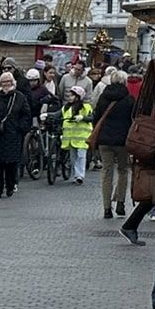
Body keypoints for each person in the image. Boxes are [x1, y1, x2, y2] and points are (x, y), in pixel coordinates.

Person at [90, 74, 135, 219]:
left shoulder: (103, 98)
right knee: (123, 171)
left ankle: (107, 208)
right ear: (124, 82)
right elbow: (133, 120)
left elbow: (96, 118)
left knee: (106, 172)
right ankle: (120, 202)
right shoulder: (129, 100)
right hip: (122, 141)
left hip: (104, 140)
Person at [0, 70, 32, 198]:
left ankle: (10, 186)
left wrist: (20, 128)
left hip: (13, 135)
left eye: (8, 81)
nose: (6, 84)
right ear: (0, 83)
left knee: (11, 163)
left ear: (13, 83)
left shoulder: (19, 97)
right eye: (4, 82)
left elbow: (26, 115)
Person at [59, 86, 92, 184]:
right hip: (71, 137)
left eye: (72, 95)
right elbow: (58, 114)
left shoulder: (86, 107)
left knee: (81, 156)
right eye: (69, 95)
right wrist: (48, 115)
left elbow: (91, 117)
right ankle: (76, 175)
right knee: (73, 158)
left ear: (78, 97)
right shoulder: (66, 107)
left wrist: (82, 117)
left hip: (82, 137)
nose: (69, 97)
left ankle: (80, 176)